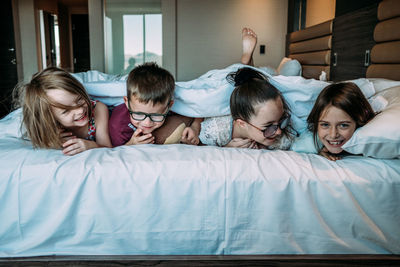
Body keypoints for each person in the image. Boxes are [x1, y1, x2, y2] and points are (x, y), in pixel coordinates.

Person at [15, 67, 112, 155]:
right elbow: (39, 139)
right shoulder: (52, 127)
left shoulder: (98, 109)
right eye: (66, 111)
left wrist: (91, 146)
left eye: (79, 100)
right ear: (51, 118)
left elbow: (107, 147)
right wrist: (54, 142)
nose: (80, 110)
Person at [199, 67, 296, 150]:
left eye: (281, 120)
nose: (279, 132)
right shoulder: (218, 130)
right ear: (242, 124)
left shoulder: (280, 136)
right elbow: (199, 145)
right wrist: (226, 148)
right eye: (268, 126)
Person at [108, 62, 201, 147]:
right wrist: (130, 144)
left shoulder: (168, 106)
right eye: (139, 114)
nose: (147, 123)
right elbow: (114, 152)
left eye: (156, 115)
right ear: (127, 103)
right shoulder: (117, 125)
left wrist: (195, 128)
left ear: (169, 106)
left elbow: (199, 111)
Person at [307, 82, 375, 161]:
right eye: (325, 124)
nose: (333, 135)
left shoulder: (371, 139)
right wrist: (318, 149)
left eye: (343, 125)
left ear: (359, 120)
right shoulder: (311, 140)